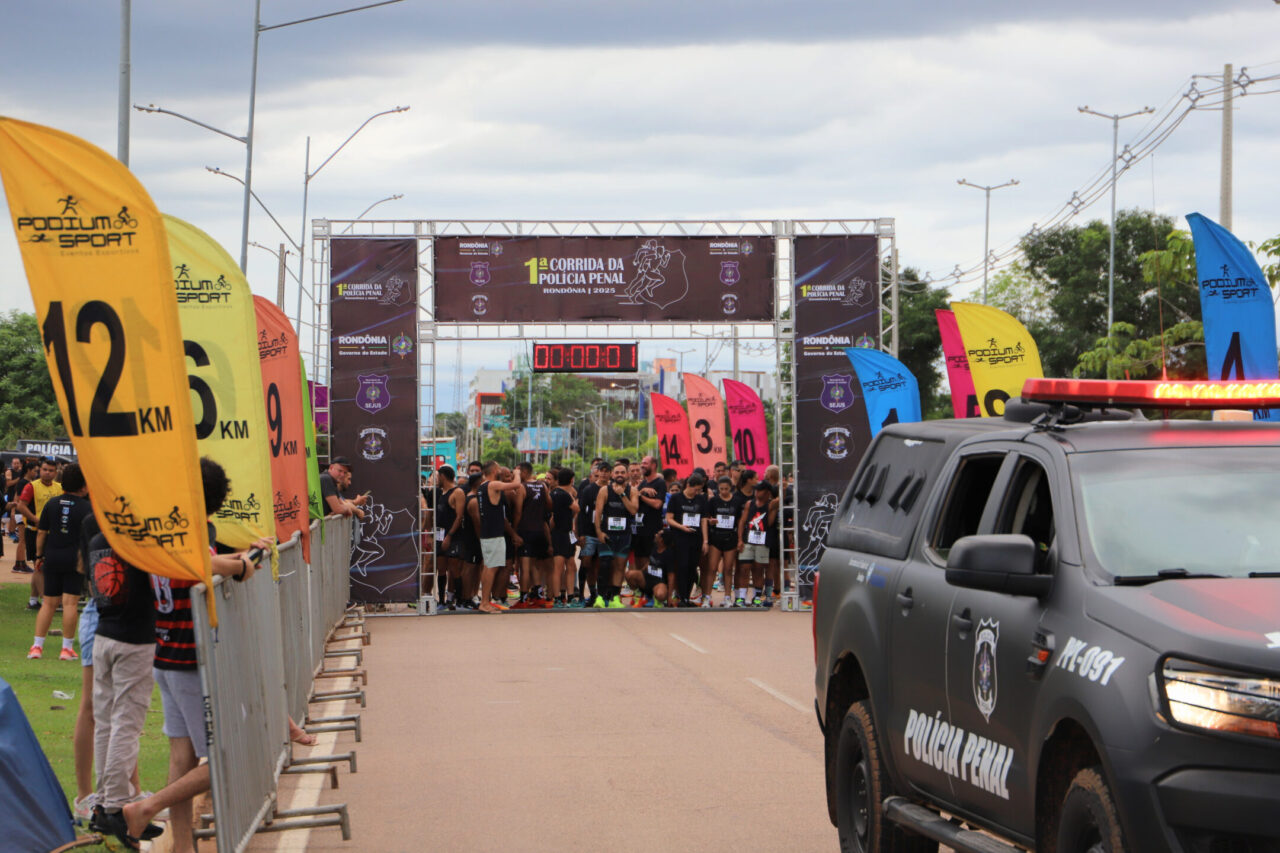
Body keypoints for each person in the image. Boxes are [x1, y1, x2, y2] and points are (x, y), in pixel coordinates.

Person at [115, 458, 268, 852]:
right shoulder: (186, 533)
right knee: (225, 753)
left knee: (181, 759)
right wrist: (240, 565)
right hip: (189, 659)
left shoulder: (163, 527)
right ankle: (146, 807)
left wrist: (241, 560)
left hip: (169, 654)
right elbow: (202, 565)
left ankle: (182, 845)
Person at [29, 463, 92, 660]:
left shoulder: (52, 503)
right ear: (83, 486)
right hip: (75, 559)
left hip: (52, 557)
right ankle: (66, 649)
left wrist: (39, 556)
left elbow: (41, 533)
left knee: (48, 602)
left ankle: (37, 647)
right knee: (70, 603)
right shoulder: (88, 508)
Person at [473, 461, 523, 613]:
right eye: (499, 467)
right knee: (491, 567)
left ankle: (486, 601)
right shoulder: (492, 485)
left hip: (490, 532)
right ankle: (485, 602)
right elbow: (516, 485)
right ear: (495, 470)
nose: (501, 470)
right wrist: (518, 473)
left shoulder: (482, 487)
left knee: (490, 566)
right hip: (493, 534)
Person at [17, 458, 62, 608]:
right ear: (39, 471)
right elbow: (21, 506)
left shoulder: (59, 487)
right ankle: (45, 600)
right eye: (44, 470)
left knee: (41, 566)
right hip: (35, 532)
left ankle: (33, 600)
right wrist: (36, 519)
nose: (47, 473)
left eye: (50, 470)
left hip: (53, 532)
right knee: (39, 565)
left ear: (56, 473)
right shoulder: (31, 487)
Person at [593, 461, 637, 609]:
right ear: (612, 475)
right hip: (607, 534)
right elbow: (598, 514)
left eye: (622, 473)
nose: (619, 475)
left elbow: (633, 510)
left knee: (619, 566)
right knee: (605, 565)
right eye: (617, 472)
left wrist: (622, 494)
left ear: (627, 475)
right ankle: (600, 596)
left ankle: (614, 597)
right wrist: (599, 532)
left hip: (624, 535)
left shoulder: (632, 491)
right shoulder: (604, 490)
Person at [664, 472, 709, 606]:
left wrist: (705, 541)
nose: (697, 492)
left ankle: (687, 596)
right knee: (682, 566)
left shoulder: (701, 500)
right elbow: (669, 519)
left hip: (696, 537)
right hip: (680, 536)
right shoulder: (676, 498)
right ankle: (681, 596)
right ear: (688, 485)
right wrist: (681, 527)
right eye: (695, 489)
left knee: (692, 567)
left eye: (700, 490)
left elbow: (704, 520)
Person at [513, 462, 552, 608]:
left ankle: (523, 599)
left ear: (523, 472)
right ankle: (539, 596)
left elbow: (517, 511)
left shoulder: (522, 487)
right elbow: (549, 504)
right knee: (536, 566)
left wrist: (515, 531)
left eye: (517, 472)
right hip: (540, 530)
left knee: (525, 567)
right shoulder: (543, 486)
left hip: (526, 530)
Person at [737, 483, 777, 607]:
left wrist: (781, 486)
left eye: (760, 491)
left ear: (766, 492)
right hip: (748, 540)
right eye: (756, 491)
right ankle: (741, 597)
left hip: (762, 542)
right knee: (744, 568)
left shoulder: (770, 504)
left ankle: (757, 597)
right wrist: (739, 539)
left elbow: (781, 498)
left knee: (758, 569)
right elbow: (742, 521)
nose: (757, 493)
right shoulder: (750, 504)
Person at [706, 476, 742, 609]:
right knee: (712, 568)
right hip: (716, 537)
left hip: (730, 538)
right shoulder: (714, 501)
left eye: (726, 489)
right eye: (721, 489)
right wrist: (711, 521)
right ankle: (707, 597)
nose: (724, 491)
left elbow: (739, 521)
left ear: (730, 488)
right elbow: (707, 517)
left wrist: (739, 539)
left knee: (728, 569)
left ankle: (727, 597)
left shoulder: (736, 501)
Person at [433, 466, 467, 609]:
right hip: (439, 535)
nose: (436, 480)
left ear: (443, 476)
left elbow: (459, 517)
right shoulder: (441, 493)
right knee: (441, 569)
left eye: (438, 477)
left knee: (454, 569)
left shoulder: (457, 492)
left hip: (453, 537)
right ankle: (441, 601)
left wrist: (449, 536)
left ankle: (459, 601)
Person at [548, 468, 578, 607]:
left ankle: (563, 597)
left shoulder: (553, 493)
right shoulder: (564, 494)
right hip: (562, 533)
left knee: (569, 565)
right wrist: (573, 495)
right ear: (572, 480)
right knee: (562, 566)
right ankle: (561, 597)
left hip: (562, 533)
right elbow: (577, 508)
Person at [625, 529, 671, 608]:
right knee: (630, 574)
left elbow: (672, 576)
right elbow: (649, 561)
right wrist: (639, 574)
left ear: (661, 540)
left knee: (660, 594)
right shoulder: (654, 548)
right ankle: (641, 595)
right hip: (648, 578)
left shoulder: (669, 554)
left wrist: (670, 595)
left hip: (659, 582)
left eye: (658, 534)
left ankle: (657, 599)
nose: (655, 535)